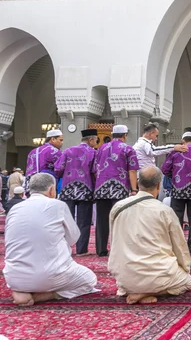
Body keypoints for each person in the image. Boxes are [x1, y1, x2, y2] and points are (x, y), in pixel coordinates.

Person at [4, 173, 98, 306]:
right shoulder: (58, 205)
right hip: (52, 275)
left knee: (22, 272)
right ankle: (46, 295)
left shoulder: (15, 208)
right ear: (52, 190)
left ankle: (21, 291)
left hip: (14, 276)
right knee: (89, 279)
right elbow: (73, 237)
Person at [108, 166, 191, 304]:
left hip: (125, 279)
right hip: (159, 276)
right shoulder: (164, 211)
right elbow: (180, 246)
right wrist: (185, 268)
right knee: (187, 282)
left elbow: (114, 242)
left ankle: (138, 291)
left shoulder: (118, 207)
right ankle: (146, 292)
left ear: (137, 182)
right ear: (159, 185)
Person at [93, 125, 140, 257]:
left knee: (101, 220)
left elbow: (96, 169)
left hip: (101, 188)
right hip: (119, 188)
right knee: (119, 219)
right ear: (125, 135)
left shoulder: (101, 148)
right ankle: (118, 249)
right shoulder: (128, 149)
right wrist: (134, 189)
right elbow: (132, 170)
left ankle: (101, 250)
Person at [54, 129, 98, 256]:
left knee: (66, 220)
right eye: (95, 140)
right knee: (84, 221)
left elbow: (58, 169)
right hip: (85, 190)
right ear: (90, 140)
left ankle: (64, 250)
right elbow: (95, 171)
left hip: (68, 190)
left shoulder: (68, 151)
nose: (96, 143)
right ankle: (81, 250)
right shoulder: (93, 152)